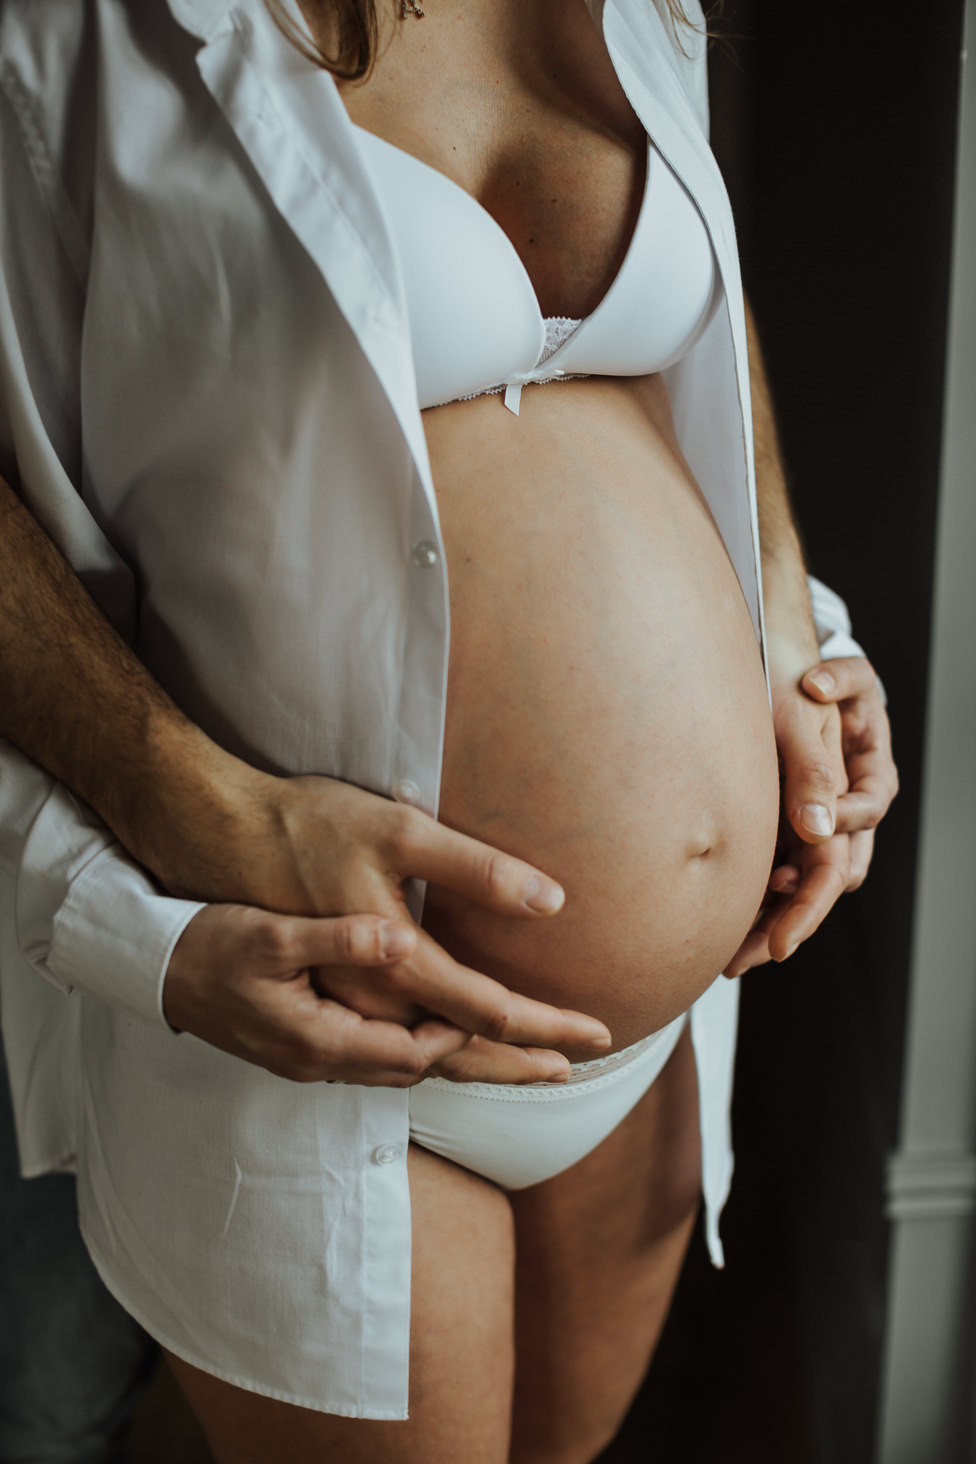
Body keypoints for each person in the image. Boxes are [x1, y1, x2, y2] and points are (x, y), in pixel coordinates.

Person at [0, 1, 898, 1460]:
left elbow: (688, 316)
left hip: (652, 1046)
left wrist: (791, 620)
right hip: (328, 1035)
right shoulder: (73, 29)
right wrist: (187, 822)